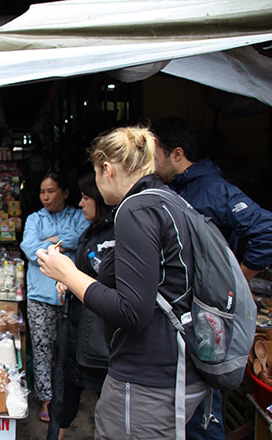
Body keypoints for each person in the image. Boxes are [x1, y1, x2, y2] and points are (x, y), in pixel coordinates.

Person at [36, 125, 209, 439]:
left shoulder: (135, 209)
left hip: (147, 379)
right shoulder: (168, 201)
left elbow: (131, 310)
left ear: (106, 168)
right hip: (174, 367)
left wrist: (68, 274)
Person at [152, 116, 272, 439]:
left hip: (209, 320)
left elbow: (265, 229)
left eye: (154, 152)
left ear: (176, 154)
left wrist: (239, 279)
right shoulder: (170, 189)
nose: (150, 161)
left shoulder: (213, 189)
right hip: (182, 317)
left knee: (204, 412)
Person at [19, 171, 89, 424]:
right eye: (42, 192)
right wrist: (61, 246)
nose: (45, 197)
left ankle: (68, 397)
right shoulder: (34, 219)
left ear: (65, 193)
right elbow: (29, 248)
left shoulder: (78, 215)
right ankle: (47, 399)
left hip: (72, 293)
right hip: (40, 295)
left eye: (51, 191)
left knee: (69, 349)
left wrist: (49, 242)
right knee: (41, 348)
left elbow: (82, 239)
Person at [56, 170, 112, 439]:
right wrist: (66, 282)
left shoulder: (115, 235)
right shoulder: (91, 232)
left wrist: (70, 277)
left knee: (108, 403)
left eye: (86, 197)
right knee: (66, 393)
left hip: (102, 336)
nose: (80, 204)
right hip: (78, 328)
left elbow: (109, 286)